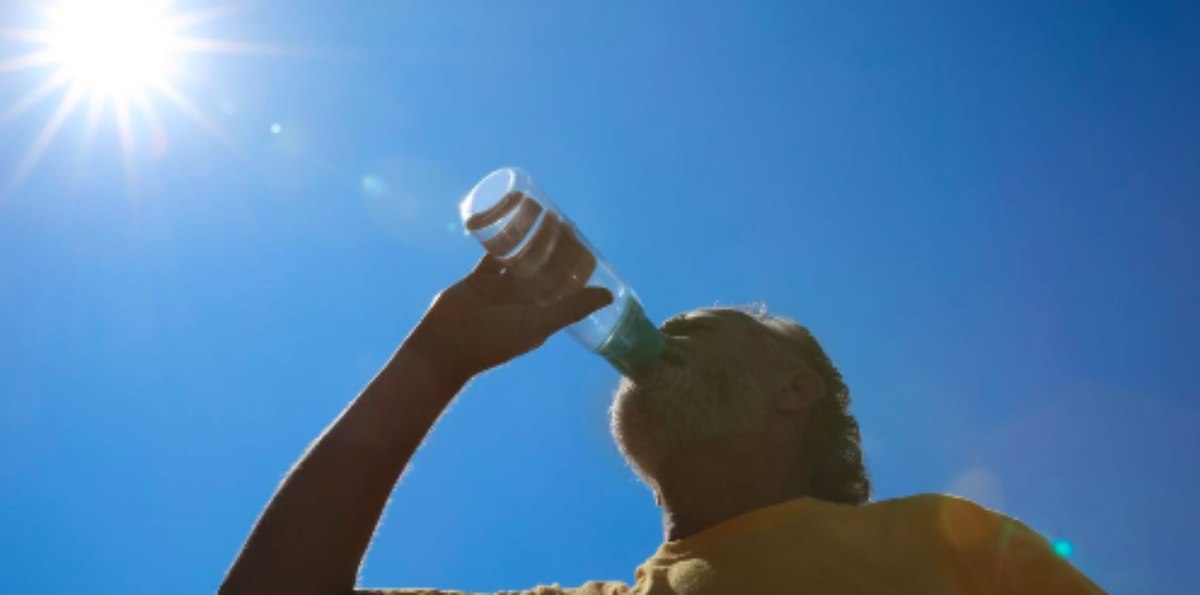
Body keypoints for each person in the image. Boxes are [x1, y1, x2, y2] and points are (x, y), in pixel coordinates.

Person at [219, 253, 1104, 595]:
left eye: (699, 332)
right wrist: (436, 355)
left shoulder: (943, 542)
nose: (661, 333)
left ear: (793, 393)